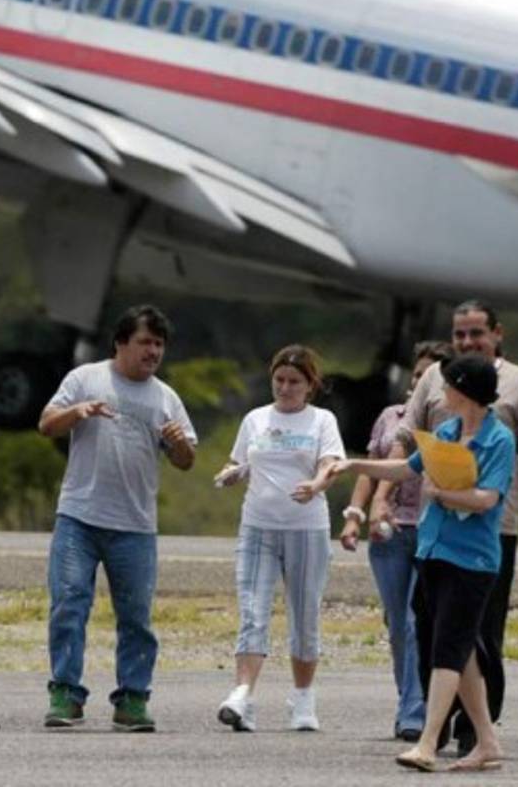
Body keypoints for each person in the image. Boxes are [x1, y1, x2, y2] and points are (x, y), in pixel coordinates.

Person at [302, 355, 514, 773]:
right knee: (459, 648)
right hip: (432, 551)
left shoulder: (499, 441)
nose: (441, 392)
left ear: (465, 390)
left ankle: (428, 743)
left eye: (448, 384)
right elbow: (405, 467)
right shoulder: (446, 431)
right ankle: (487, 741)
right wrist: (353, 464)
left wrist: (444, 495)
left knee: (447, 652)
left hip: (471, 560)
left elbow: (488, 498)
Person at [382, 300, 518, 752]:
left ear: (497, 333)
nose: (466, 341)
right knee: (435, 629)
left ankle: (470, 732)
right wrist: (378, 496)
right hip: (436, 530)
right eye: (459, 334)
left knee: (481, 635)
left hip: (493, 527)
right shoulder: (439, 379)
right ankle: (449, 724)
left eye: (476, 333)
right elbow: (405, 443)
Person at [38, 304, 196, 732]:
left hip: (135, 525)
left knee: (136, 617)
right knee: (69, 603)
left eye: (159, 344)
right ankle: (66, 694)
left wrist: (179, 443)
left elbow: (186, 460)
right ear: (121, 342)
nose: (153, 352)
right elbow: (47, 424)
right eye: (145, 342)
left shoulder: (165, 397)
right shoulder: (85, 378)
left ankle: (132, 700)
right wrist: (79, 412)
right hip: (79, 517)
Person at [214, 345, 344, 733]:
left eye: (294, 382)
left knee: (304, 614)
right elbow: (239, 461)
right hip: (258, 526)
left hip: (306, 528)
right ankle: (242, 695)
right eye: (280, 380)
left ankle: (303, 697)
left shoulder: (321, 421)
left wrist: (316, 485)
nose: (285, 388)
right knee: (253, 611)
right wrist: (231, 474)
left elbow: (330, 465)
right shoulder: (256, 419)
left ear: (309, 385)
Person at [336, 340, 452, 742]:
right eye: (418, 374)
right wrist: (356, 514)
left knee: (416, 619)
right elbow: (372, 469)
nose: (421, 382)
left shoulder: (449, 424)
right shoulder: (390, 417)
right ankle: (411, 697)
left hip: (430, 534)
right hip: (389, 536)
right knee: (397, 625)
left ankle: (415, 713)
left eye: (431, 376)